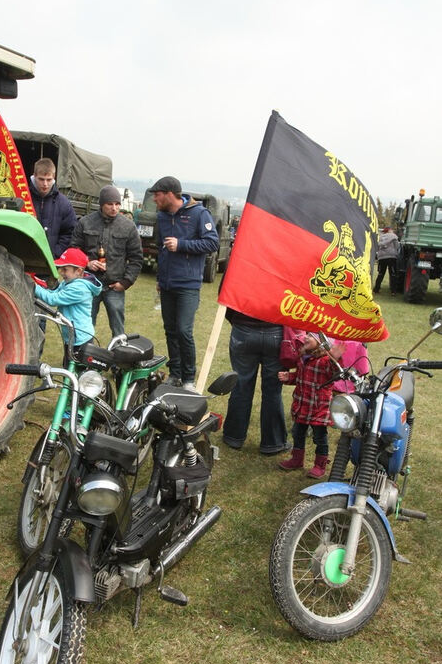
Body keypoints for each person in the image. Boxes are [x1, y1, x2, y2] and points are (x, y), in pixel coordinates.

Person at [149, 175, 219, 390]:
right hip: (167, 284)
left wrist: (181, 245)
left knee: (183, 330)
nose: (154, 199)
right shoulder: (162, 217)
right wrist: (160, 278)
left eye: (157, 195)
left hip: (188, 284)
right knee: (170, 330)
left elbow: (212, 243)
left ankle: (189, 379)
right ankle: (175, 374)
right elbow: (161, 249)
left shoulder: (199, 214)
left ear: (170, 194)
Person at [70, 184, 143, 337]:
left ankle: (119, 351)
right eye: (110, 204)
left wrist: (125, 282)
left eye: (117, 204)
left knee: (118, 330)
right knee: (84, 326)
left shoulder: (128, 227)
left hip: (114, 286)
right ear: (102, 204)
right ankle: (83, 352)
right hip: (89, 284)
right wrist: (87, 263)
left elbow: (136, 258)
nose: (114, 208)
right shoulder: (85, 222)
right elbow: (74, 250)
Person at [222, 309, 292, 455]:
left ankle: (233, 437)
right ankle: (273, 443)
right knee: (272, 390)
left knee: (241, 385)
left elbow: (228, 300)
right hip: (275, 330)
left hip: (244, 328)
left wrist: (238, 322)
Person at [277, 332, 344, 478]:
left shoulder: (325, 361)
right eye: (306, 334)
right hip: (302, 405)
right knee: (297, 433)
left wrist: (335, 358)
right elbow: (300, 376)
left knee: (319, 437)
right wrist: (290, 377)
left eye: (311, 336)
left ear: (322, 342)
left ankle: (320, 465)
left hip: (318, 408)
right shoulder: (303, 357)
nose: (306, 337)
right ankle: (297, 459)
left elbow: (335, 372)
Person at [32, 247, 102, 355]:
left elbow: (52, 299)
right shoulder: (69, 282)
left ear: (79, 271)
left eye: (65, 269)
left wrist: (34, 286)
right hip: (71, 336)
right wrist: (38, 283)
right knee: (68, 362)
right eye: (61, 269)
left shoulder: (78, 289)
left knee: (77, 365)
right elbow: (53, 293)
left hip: (80, 339)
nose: (61, 272)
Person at [29, 157, 77, 259]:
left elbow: (69, 233)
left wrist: (55, 254)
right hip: (24, 260)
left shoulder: (64, 204)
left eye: (49, 180)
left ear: (54, 177)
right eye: (41, 179)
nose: (45, 184)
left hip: (52, 262)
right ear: (34, 176)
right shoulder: (23, 199)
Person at [374, 226, 400, 296]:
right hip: (391, 257)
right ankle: (393, 291)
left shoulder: (380, 237)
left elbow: (377, 246)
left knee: (381, 273)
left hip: (382, 257)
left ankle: (376, 289)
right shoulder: (394, 236)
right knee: (392, 274)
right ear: (390, 230)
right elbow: (397, 246)